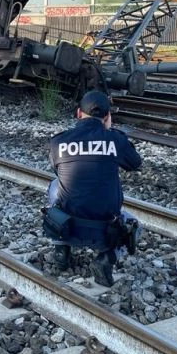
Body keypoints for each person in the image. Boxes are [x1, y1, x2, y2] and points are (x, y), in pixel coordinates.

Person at [48, 90, 142, 286]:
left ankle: (61, 249)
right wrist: (110, 132)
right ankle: (106, 258)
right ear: (107, 117)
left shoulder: (59, 141)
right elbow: (135, 163)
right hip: (105, 232)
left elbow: (57, 169)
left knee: (55, 185)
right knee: (134, 224)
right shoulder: (115, 140)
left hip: (69, 226)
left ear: (78, 114)